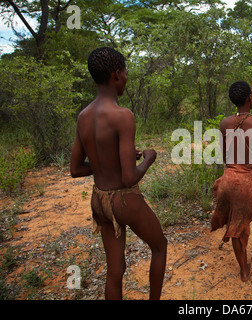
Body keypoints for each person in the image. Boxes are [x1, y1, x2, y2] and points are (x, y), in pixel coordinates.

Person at [70, 47, 167, 300]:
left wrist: (108, 162)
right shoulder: (123, 115)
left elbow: (76, 169)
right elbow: (128, 178)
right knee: (159, 247)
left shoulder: (83, 116)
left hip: (99, 200)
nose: (126, 78)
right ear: (115, 75)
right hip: (124, 201)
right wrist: (149, 159)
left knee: (115, 269)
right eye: (125, 73)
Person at [211, 81, 252, 282]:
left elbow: (224, 157)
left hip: (229, 179)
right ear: (250, 98)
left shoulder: (224, 124)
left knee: (235, 225)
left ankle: (244, 270)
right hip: (250, 181)